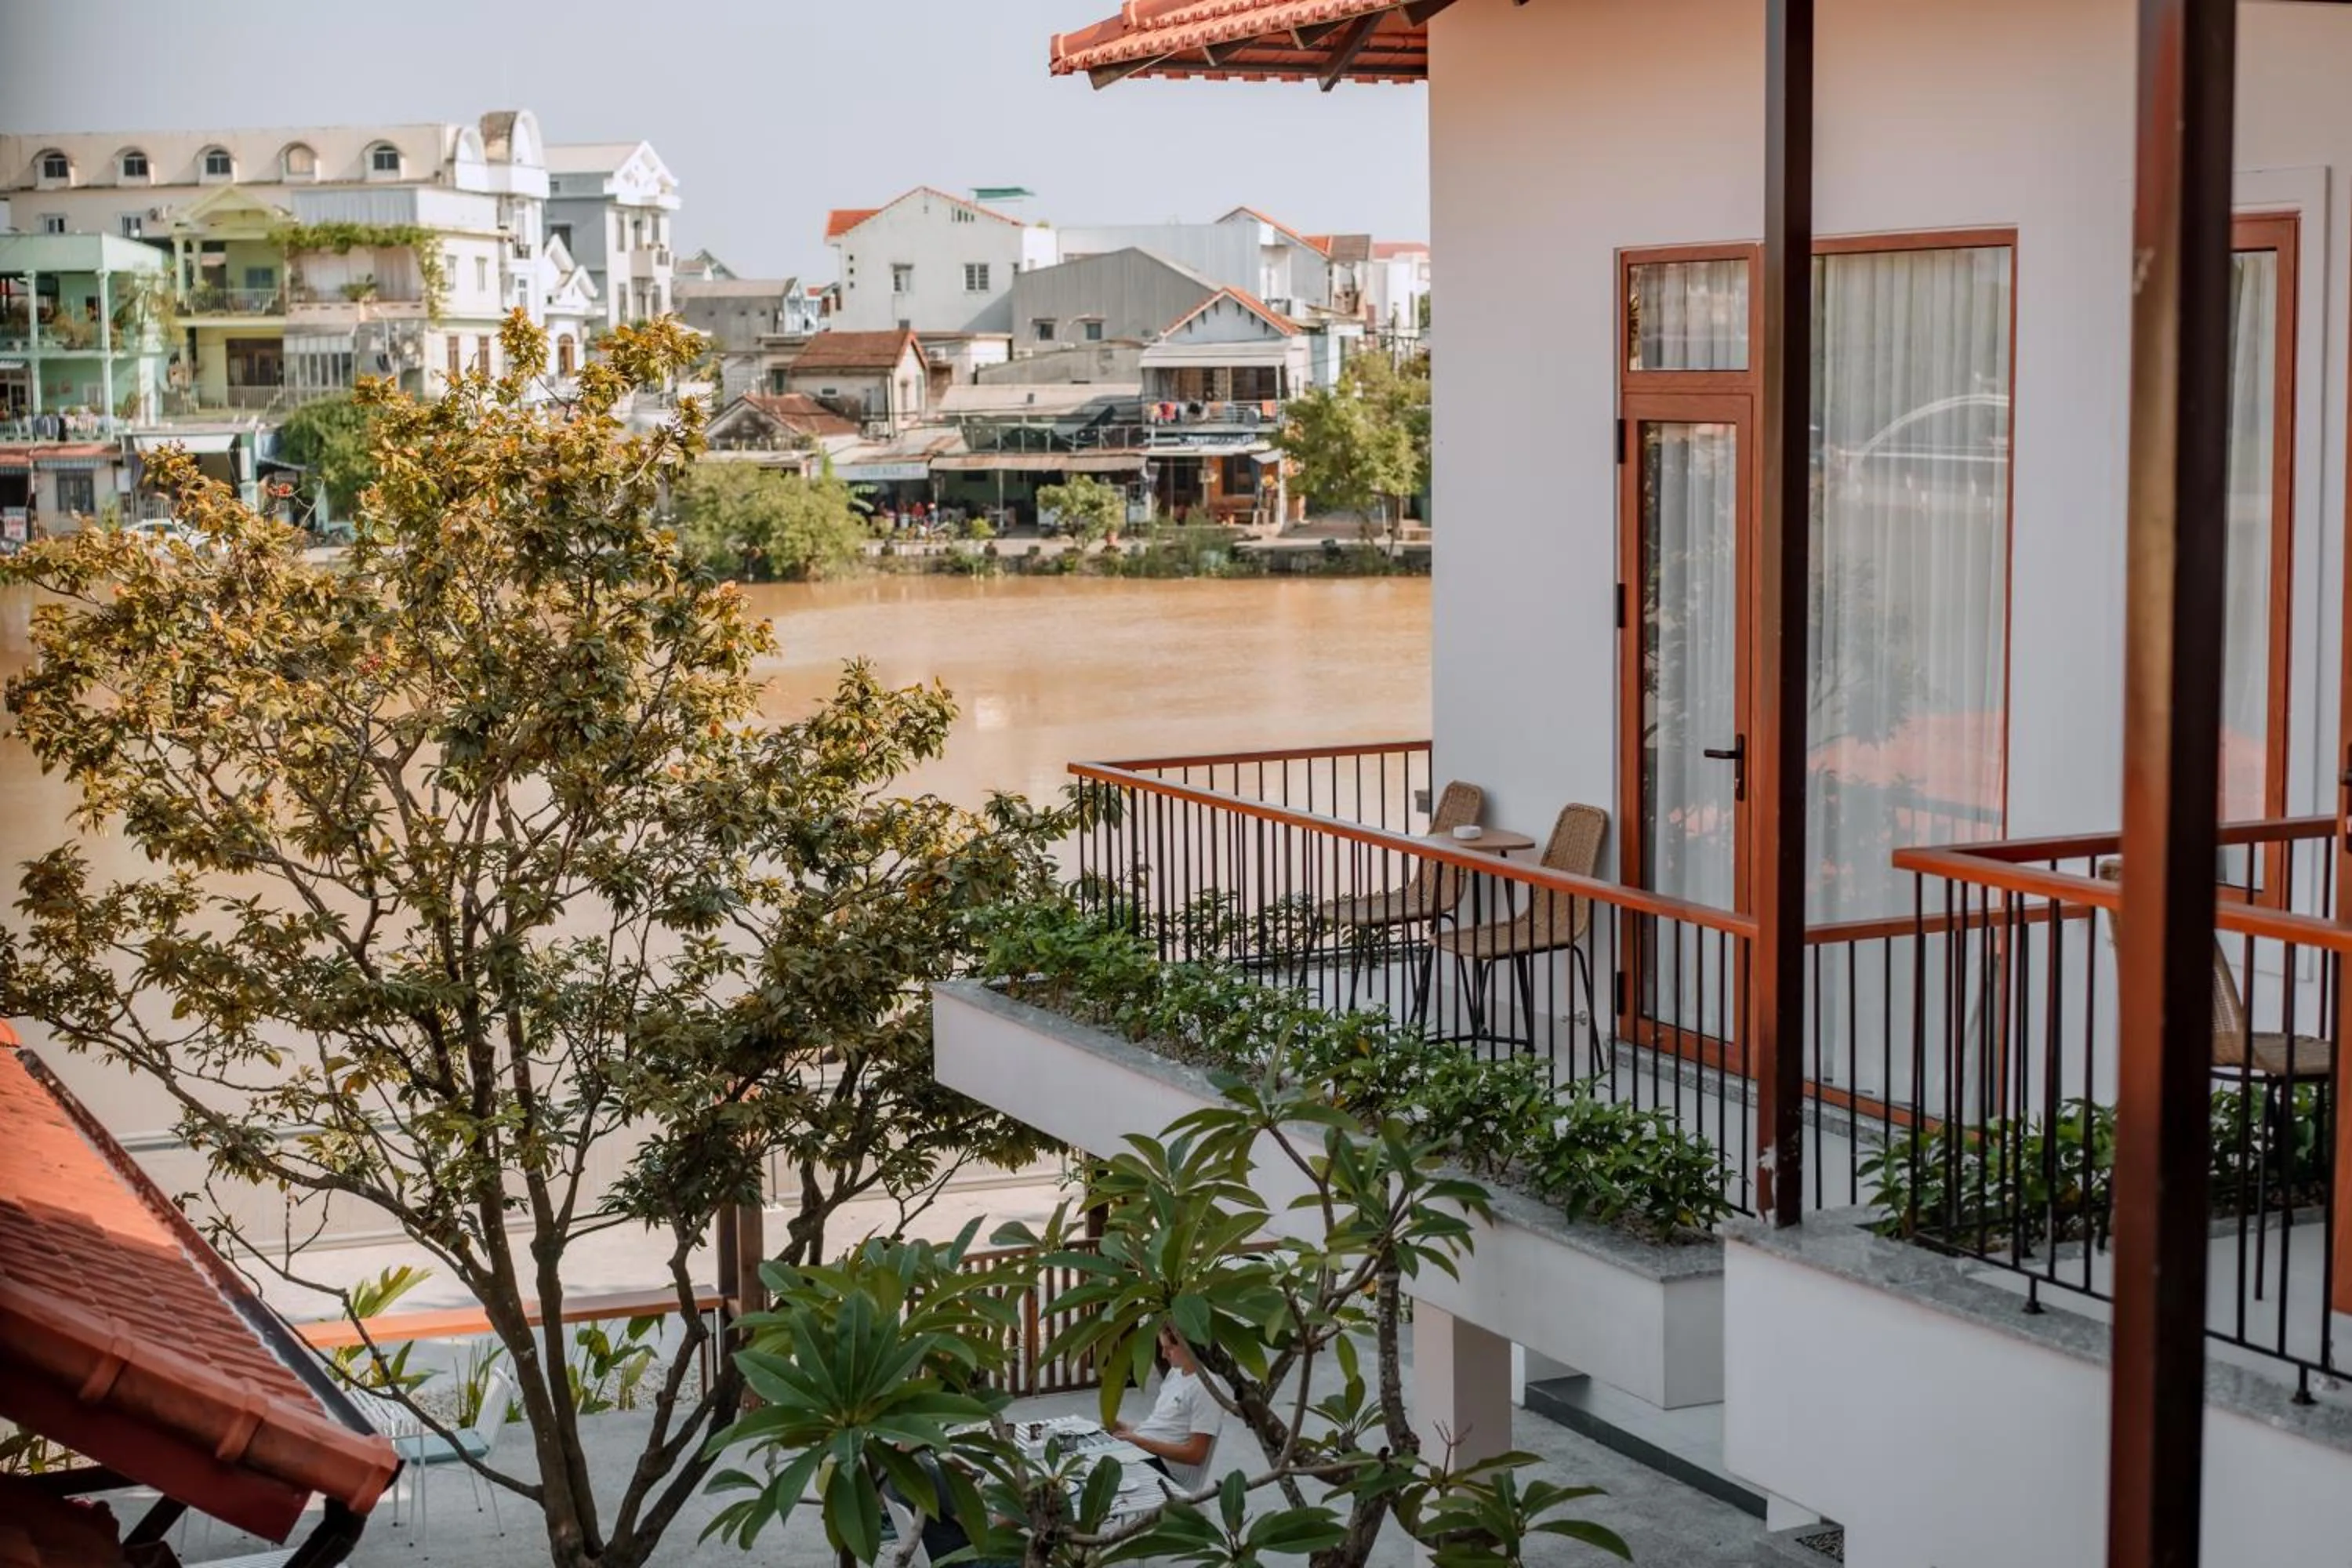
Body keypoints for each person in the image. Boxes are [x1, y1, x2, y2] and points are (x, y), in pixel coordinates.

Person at [1110, 1323, 1222, 1490]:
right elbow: (1165, 1427)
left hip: (1169, 1471)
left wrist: (1141, 1443)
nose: (1163, 1355)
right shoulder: (1175, 1374)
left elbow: (1196, 1454)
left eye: (1169, 1348)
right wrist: (1128, 1429)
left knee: (1100, 1469)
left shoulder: (1205, 1388)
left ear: (1188, 1345)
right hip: (1147, 1451)